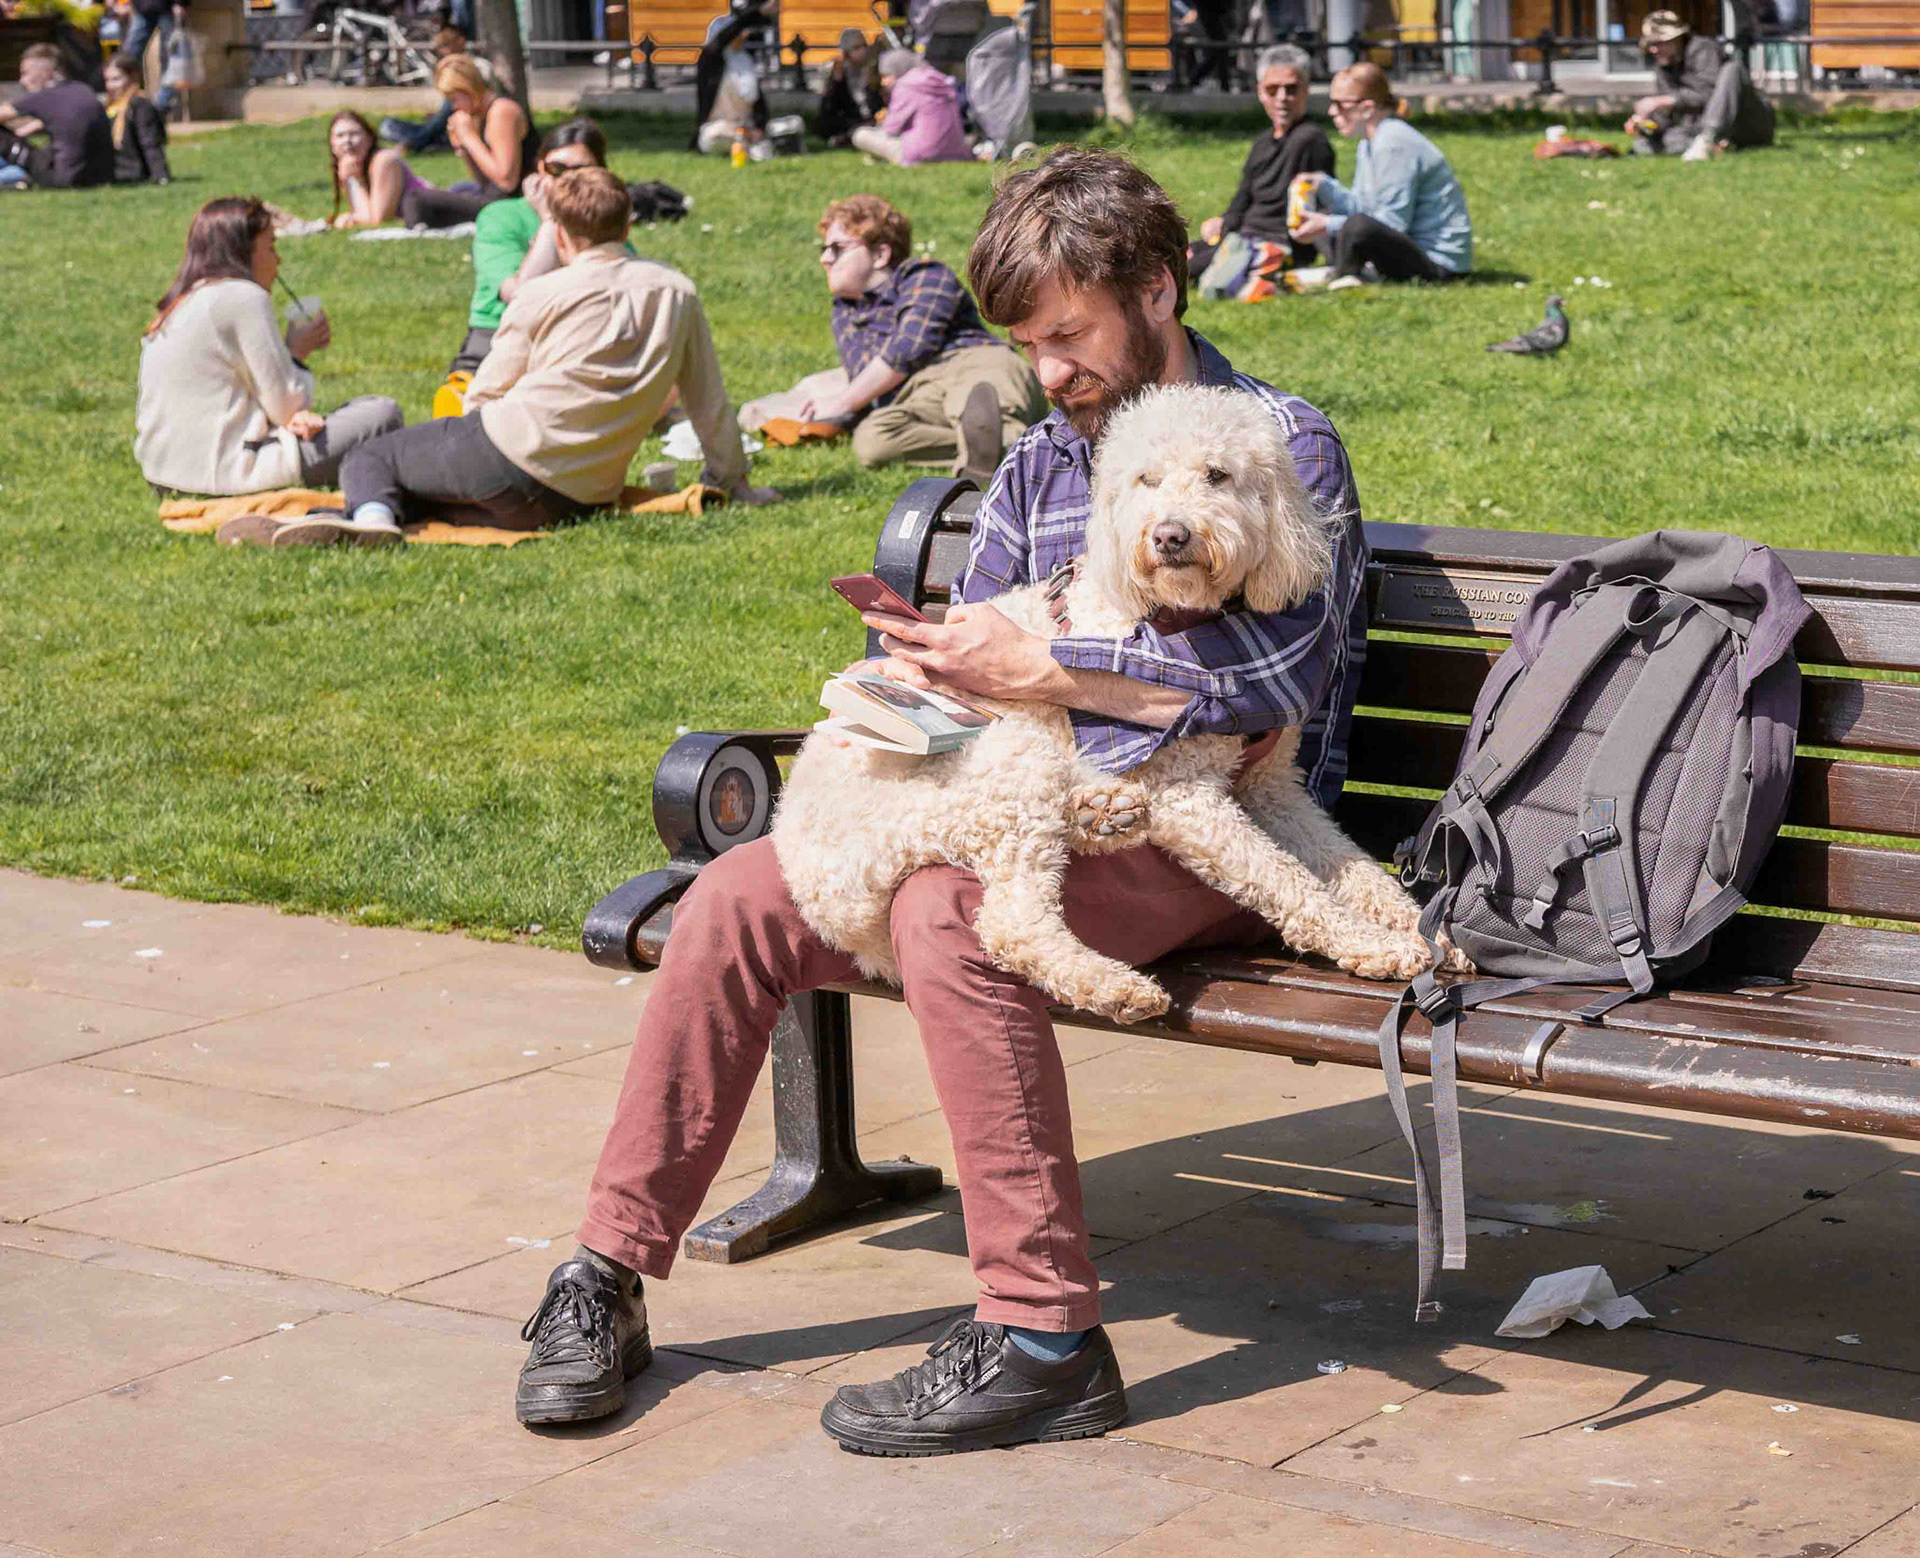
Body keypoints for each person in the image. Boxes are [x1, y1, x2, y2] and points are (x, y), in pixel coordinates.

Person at [510, 147, 1370, 1457]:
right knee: (741, 894)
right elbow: (998, 667)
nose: (1055, 369)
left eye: (1072, 334)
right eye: (1030, 342)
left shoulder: (1276, 440)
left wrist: (1059, 670)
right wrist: (917, 692)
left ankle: (1044, 1340)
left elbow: (1273, 674)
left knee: (955, 910)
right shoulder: (1039, 464)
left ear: (1157, 286)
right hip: (1030, 803)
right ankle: (607, 1270)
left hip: (1218, 824)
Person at [301, 168, 776, 543]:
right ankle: (379, 509)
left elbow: (487, 391)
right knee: (427, 485)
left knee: (371, 456)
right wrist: (731, 481)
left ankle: (371, 523)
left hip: (510, 451)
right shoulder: (678, 291)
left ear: (561, 236)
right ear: (628, 224)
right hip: (584, 494)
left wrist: (456, 444)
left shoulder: (544, 291)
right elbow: (706, 398)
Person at [134, 197, 403, 496]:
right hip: (230, 473)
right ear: (244, 251)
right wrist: (297, 354)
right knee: (382, 413)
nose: (279, 261)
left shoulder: (181, 302)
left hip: (163, 474)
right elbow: (287, 406)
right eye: (271, 248)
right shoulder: (243, 296)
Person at [802, 194, 1045, 486]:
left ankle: (994, 461)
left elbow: (909, 348)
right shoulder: (845, 315)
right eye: (824, 249)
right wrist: (820, 416)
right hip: (919, 397)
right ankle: (986, 449)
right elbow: (869, 386)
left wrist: (842, 402)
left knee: (982, 402)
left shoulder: (925, 275)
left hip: (970, 364)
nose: (824, 258)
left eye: (837, 248)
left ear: (880, 254)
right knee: (873, 440)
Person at [450, 117, 620, 375]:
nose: (567, 180)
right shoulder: (499, 217)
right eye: (556, 169)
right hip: (500, 336)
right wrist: (550, 221)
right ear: (540, 168)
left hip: (577, 332)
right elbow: (521, 297)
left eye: (581, 171)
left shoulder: (604, 220)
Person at [1291, 62, 1471, 288]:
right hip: (1408, 247)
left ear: (1366, 108)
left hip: (1438, 264)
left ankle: (1346, 274)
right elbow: (1362, 206)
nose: (1331, 112)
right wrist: (1322, 185)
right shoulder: (1368, 143)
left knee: (1352, 226)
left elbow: (1393, 223)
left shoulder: (1393, 143)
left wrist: (1327, 225)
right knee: (1326, 215)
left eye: (1339, 104)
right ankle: (1347, 272)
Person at [1187, 44, 1333, 276]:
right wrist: (1223, 224)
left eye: (1291, 89)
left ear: (1306, 90)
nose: (1282, 98)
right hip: (1243, 236)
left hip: (1276, 244)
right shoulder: (1263, 142)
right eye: (1273, 89)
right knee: (1178, 253)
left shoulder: (1309, 140)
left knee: (1184, 267)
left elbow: (1297, 213)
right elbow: (1243, 197)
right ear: (1260, 92)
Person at [397, 53, 537, 228]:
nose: (454, 107)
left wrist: (469, 137)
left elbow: (507, 182)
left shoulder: (502, 111)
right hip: (496, 200)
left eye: (454, 99)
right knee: (456, 189)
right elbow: (486, 183)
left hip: (513, 204)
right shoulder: (479, 115)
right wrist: (464, 151)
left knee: (416, 199)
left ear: (469, 90)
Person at [1629, 10, 1775, 160]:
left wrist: (1663, 101)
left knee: (1733, 69)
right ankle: (1716, 144)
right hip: (1699, 129)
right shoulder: (1664, 67)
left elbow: (1710, 95)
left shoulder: (1703, 48)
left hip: (1745, 120)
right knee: (1643, 144)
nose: (1654, 50)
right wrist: (1648, 125)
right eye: (1650, 45)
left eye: (1659, 43)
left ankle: (1708, 140)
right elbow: (1666, 117)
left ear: (1677, 38)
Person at [0, 43, 113, 189]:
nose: (22, 81)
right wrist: (24, 132)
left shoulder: (43, 97)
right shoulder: (83, 90)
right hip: (99, 176)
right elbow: (67, 123)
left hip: (61, 179)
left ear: (45, 72)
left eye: (25, 73)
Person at [851, 49, 974, 166]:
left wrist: (882, 121)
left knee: (860, 135)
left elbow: (890, 129)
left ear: (898, 69)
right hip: (954, 153)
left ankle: (878, 156)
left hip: (920, 153)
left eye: (886, 75)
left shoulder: (906, 85)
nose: (883, 82)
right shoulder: (941, 80)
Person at [692, 5, 769, 155]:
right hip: (718, 130)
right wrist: (758, 12)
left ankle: (746, 145)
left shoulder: (746, 61)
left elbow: (759, 105)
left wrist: (759, 128)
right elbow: (721, 40)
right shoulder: (709, 64)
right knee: (711, 140)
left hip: (746, 129)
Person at [325, 109, 417, 228]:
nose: (347, 141)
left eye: (354, 134)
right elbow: (363, 214)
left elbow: (379, 219)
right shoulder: (349, 167)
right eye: (340, 136)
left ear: (369, 140)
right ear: (333, 145)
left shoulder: (385, 160)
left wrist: (357, 180)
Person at [103, 53, 171, 184]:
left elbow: (150, 142)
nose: (110, 86)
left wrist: (161, 175)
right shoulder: (110, 105)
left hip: (131, 172)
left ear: (133, 77)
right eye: (107, 80)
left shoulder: (140, 105)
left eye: (116, 79)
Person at [118, 0, 185, 117]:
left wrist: (181, 3)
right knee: (128, 57)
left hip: (168, 8)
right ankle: (128, 98)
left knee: (171, 58)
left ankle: (163, 105)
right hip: (142, 9)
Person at [817, 26, 880, 148]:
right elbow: (829, 110)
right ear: (846, 52)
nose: (863, 51)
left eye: (864, 46)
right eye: (857, 48)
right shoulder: (839, 72)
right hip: (850, 122)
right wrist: (836, 81)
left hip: (870, 121)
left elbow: (876, 104)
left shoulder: (873, 69)